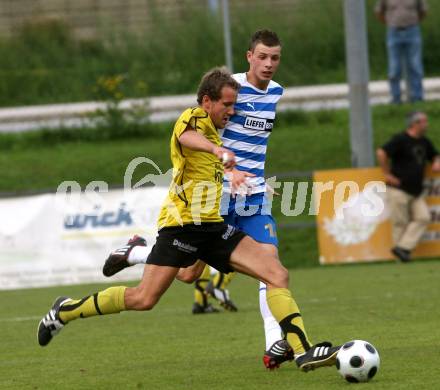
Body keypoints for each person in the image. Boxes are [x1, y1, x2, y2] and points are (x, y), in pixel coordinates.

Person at [38, 67, 340, 373]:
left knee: (276, 273)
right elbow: (187, 136)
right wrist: (218, 150)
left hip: (213, 227)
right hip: (181, 226)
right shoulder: (193, 117)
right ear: (207, 101)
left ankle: (303, 351)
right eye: (226, 104)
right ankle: (65, 310)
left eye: (234, 105)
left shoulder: (217, 135)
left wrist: (239, 176)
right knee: (144, 299)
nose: (231, 111)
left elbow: (213, 172)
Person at [376, 111, 440, 262]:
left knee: (423, 217)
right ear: (415, 124)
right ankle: (402, 257)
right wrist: (387, 174)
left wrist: (436, 161)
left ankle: (402, 248)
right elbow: (381, 152)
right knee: (400, 223)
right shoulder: (400, 139)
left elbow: (434, 155)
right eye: (424, 122)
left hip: (416, 191)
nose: (426, 125)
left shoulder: (424, 142)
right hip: (398, 189)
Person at [374, 0, 428, 104]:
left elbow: (423, 11)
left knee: (415, 65)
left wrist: (414, 21)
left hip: (412, 31)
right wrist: (390, 22)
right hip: (393, 32)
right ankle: (396, 98)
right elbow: (378, 12)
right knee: (394, 67)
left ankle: (417, 97)